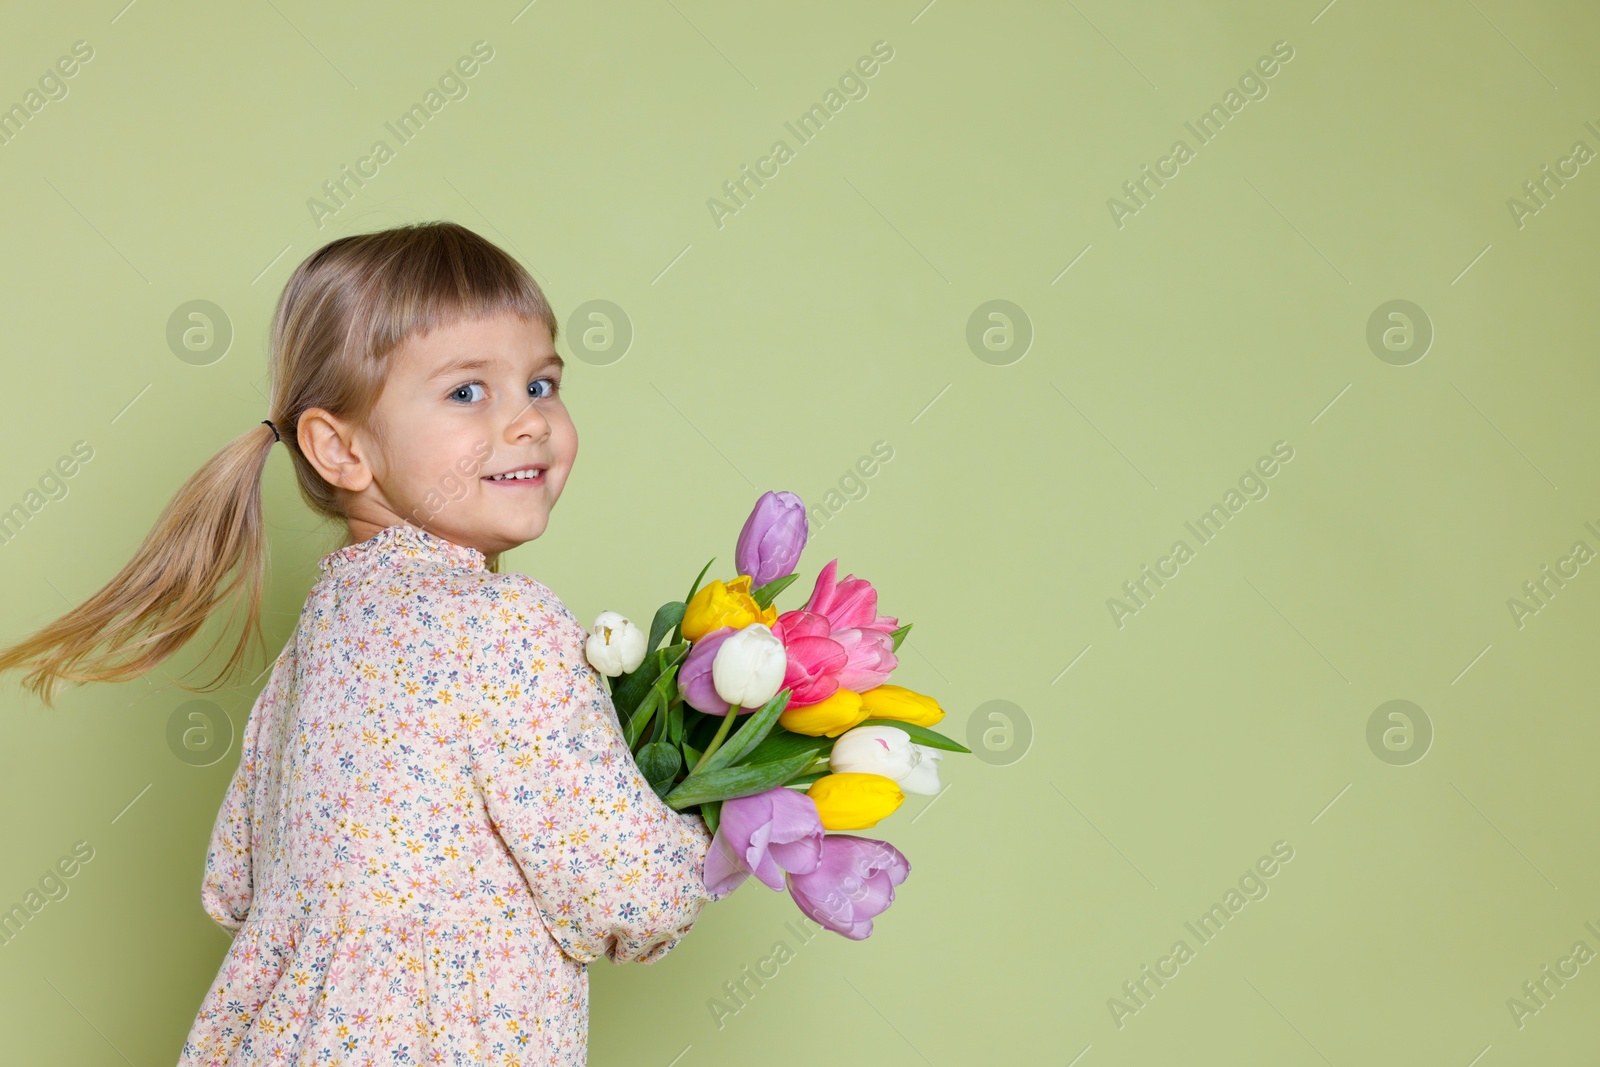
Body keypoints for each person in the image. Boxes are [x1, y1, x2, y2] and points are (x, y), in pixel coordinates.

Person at [0, 221, 722, 1065]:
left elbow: (237, 877)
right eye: (467, 392)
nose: (528, 421)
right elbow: (629, 890)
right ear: (340, 447)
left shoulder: (323, 631)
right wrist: (703, 827)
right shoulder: (502, 624)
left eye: (541, 382)